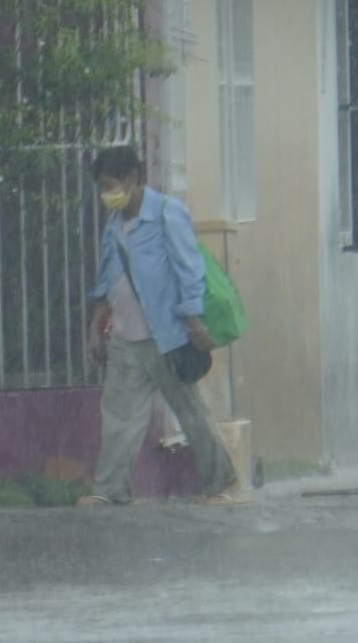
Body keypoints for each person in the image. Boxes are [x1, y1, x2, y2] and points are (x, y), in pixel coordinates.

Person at [77, 145, 243, 506]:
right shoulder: (115, 225)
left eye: (112, 185)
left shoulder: (168, 214)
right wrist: (96, 325)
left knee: (191, 413)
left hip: (167, 335)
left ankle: (224, 482)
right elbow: (107, 277)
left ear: (133, 179)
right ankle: (110, 491)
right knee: (120, 416)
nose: (107, 195)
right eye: (102, 188)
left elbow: (188, 270)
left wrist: (194, 321)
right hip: (125, 336)